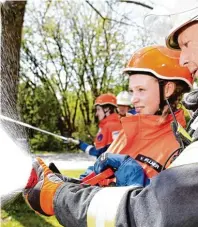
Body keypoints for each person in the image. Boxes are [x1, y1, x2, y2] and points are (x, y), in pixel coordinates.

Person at [23, 45, 197, 227]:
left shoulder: (180, 148)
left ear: (167, 89)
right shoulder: (127, 131)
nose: (133, 99)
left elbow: (161, 214)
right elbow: (98, 183)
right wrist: (65, 188)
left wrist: (138, 183)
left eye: (141, 90)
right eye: (132, 91)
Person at [78, 93, 122, 158]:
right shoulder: (118, 123)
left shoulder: (108, 126)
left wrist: (81, 145)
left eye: (98, 109)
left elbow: (98, 152)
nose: (96, 114)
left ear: (107, 109)